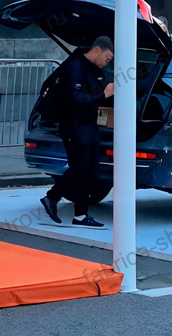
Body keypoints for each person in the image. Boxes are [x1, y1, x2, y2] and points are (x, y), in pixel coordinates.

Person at [40, 36, 115, 228]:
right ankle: (52, 197)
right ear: (97, 50)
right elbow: (76, 98)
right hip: (74, 125)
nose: (107, 63)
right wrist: (104, 94)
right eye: (107, 58)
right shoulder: (75, 66)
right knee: (79, 167)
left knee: (91, 169)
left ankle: (81, 215)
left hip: (90, 125)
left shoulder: (94, 70)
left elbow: (91, 96)